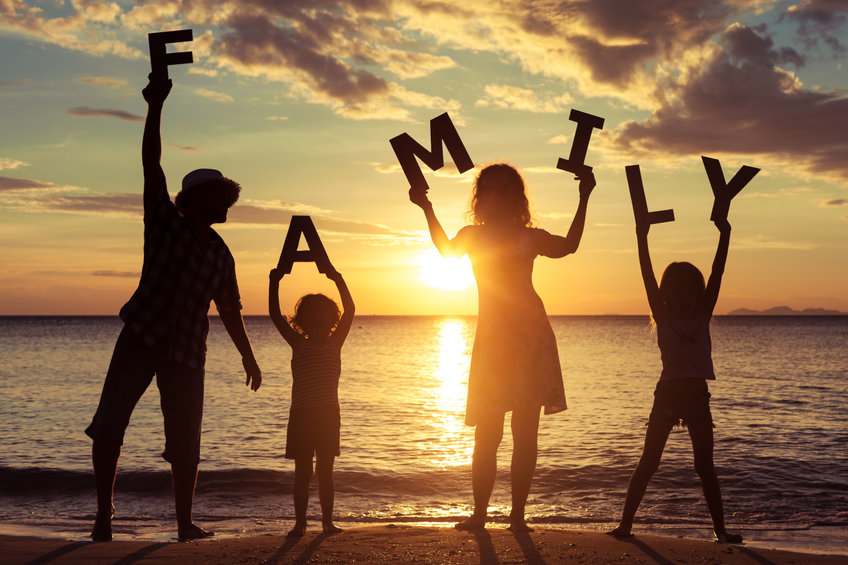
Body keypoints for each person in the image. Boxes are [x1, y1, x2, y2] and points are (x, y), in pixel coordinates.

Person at [85, 73, 262, 542]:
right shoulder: (165, 222)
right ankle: (104, 517)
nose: (226, 203)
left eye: (228, 197)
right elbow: (151, 164)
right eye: (219, 195)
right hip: (141, 337)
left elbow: (229, 309)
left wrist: (248, 354)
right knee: (110, 426)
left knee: (186, 445)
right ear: (194, 199)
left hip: (187, 353)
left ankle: (185, 523)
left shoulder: (222, 253)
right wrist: (154, 106)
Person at [410, 163, 595, 531]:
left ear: (517, 196)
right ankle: (479, 514)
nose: (499, 195)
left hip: (531, 340)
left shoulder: (529, 236)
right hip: (493, 342)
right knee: (487, 433)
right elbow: (446, 251)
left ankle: (517, 516)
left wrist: (585, 195)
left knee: (525, 434)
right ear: (481, 196)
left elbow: (569, 246)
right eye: (491, 188)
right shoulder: (472, 235)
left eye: (507, 188)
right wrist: (426, 208)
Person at [608, 216, 743, 543]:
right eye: (677, 289)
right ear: (666, 294)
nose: (685, 294)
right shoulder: (663, 315)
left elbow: (718, 271)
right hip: (667, 396)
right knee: (649, 461)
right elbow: (646, 272)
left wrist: (725, 232)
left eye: (691, 289)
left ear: (699, 293)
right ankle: (625, 525)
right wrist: (642, 235)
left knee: (704, 466)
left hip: (697, 396)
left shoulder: (703, 314)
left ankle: (720, 530)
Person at [269, 265, 354, 537]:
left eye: (324, 316)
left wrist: (337, 279)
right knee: (303, 472)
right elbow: (274, 315)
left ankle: (327, 522)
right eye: (312, 317)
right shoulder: (298, 343)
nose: (318, 321)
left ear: (332, 320)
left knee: (325, 472)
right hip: (302, 416)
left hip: (328, 414)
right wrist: (275, 282)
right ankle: (300, 523)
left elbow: (351, 310)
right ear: (303, 322)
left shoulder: (336, 341)